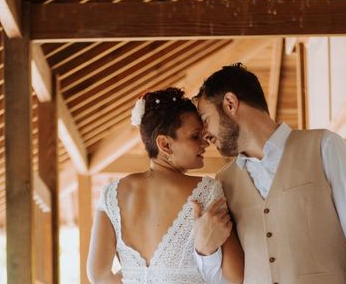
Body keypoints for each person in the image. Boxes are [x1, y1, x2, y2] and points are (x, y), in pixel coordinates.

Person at [193, 63, 346, 284]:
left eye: (205, 120)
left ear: (230, 103)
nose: (204, 134)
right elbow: (226, 279)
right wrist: (204, 250)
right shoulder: (224, 182)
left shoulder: (325, 146)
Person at [87, 87, 244, 284]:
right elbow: (236, 276)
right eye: (195, 136)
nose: (205, 143)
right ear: (165, 144)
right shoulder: (206, 191)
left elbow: (98, 275)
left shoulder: (110, 195)